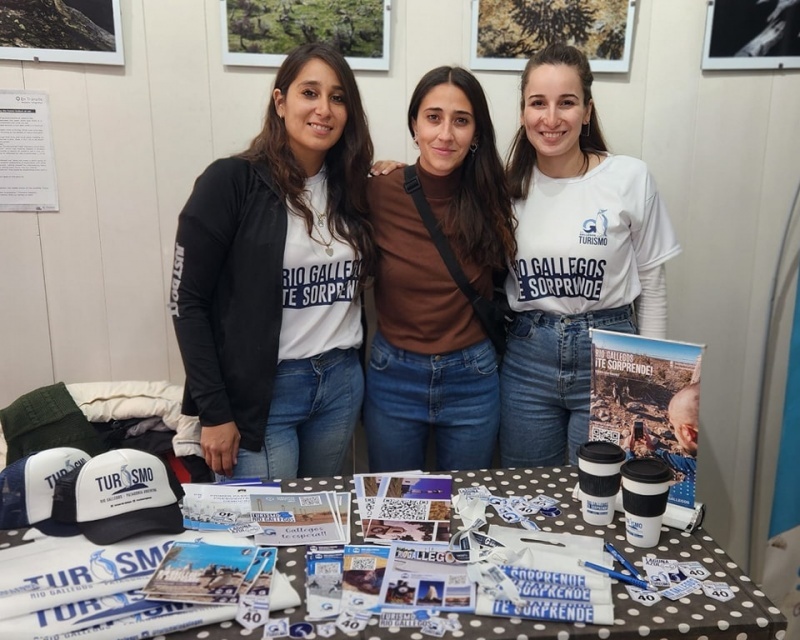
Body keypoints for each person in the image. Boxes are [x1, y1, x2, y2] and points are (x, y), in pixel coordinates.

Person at [171, 42, 376, 480]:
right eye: (310, 93)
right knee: (270, 531)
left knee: (324, 525)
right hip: (263, 395)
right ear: (280, 101)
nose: (324, 108)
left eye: (338, 98)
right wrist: (214, 412)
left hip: (339, 383)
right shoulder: (230, 181)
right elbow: (187, 303)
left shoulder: (355, 187)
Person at [499, 43, 682, 468]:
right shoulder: (504, 189)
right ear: (523, 111)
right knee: (530, 492)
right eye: (537, 103)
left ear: (587, 110)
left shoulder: (628, 178)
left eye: (567, 103)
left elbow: (652, 287)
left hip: (611, 353)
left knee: (603, 494)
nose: (550, 118)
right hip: (528, 360)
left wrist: (647, 379)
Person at [364, 66, 517, 473]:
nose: (445, 134)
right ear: (414, 124)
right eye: (433, 117)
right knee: (394, 511)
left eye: (461, 121)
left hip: (473, 377)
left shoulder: (494, 194)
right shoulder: (379, 190)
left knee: (467, 505)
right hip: (393, 374)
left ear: (477, 132)